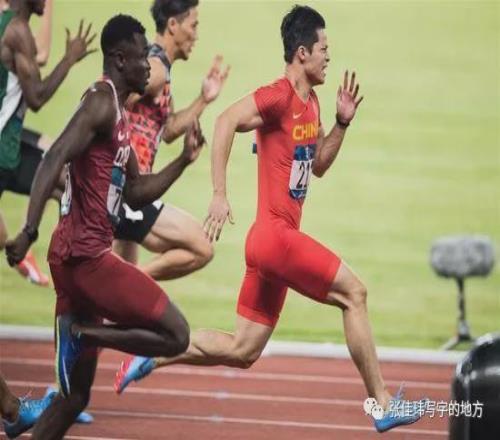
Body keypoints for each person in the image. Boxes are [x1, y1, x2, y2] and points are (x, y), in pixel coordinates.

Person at [114, 5, 428, 433]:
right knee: (354, 294)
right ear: (302, 53)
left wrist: (341, 123)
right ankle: (382, 403)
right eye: (323, 49)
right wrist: (219, 194)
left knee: (242, 350)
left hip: (273, 245)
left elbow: (319, 165)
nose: (329, 56)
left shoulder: (312, 103)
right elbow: (225, 121)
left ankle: (152, 353)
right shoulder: (277, 96)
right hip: (274, 238)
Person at [6, 13, 205, 439]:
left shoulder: (118, 114)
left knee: (74, 398)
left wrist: (183, 161)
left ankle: (84, 335)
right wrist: (28, 230)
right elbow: (52, 157)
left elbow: (135, 192)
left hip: (78, 259)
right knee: (177, 335)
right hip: (86, 259)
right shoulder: (99, 101)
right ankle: (84, 334)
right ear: (119, 59)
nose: (149, 66)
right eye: (142, 57)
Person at [113, 0, 229, 281]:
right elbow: (112, 99)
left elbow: (166, 130)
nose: (196, 35)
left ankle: (126, 282)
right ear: (173, 25)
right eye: (193, 25)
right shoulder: (155, 68)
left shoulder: (158, 65)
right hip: (125, 187)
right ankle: (132, 280)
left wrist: (203, 100)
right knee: (202, 247)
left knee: (115, 298)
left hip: (132, 189)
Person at [0, 0, 94, 286]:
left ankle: (72, 267)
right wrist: (69, 58)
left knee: (62, 180)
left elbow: (35, 58)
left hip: (9, 147)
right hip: (3, 152)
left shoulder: (9, 24)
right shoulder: (17, 30)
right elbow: (37, 97)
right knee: (64, 180)